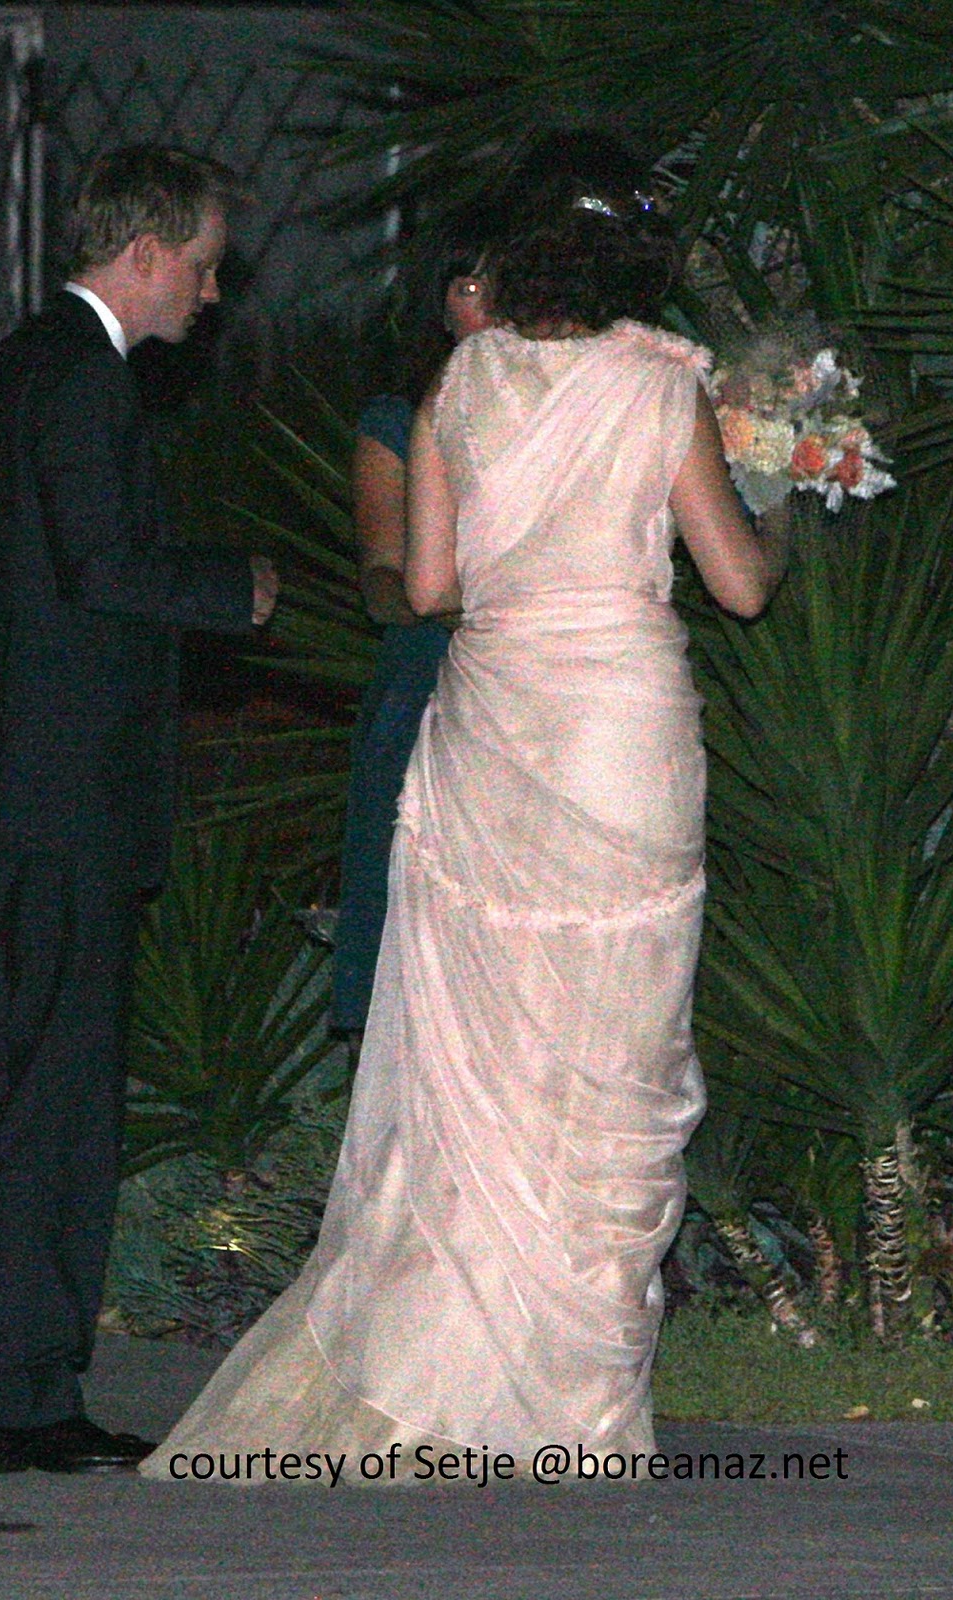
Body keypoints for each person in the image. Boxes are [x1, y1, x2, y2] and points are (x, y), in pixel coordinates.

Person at [140, 173, 786, 1487]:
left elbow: (428, 585)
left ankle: (454, 1355)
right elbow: (736, 585)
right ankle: (575, 1394)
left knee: (479, 1056)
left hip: (494, 730)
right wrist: (775, 511)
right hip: (618, 742)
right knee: (609, 1049)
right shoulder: (660, 382)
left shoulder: (461, 383)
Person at [0, 145, 278, 1476]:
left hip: (9, 792)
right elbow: (101, 564)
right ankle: (21, 1401)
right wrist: (233, 590)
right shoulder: (80, 382)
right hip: (56, 799)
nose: (210, 293)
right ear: (143, 254)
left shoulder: (9, 369)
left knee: (13, 1091)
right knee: (53, 1097)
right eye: (201, 263)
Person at [332, 225, 498, 1054]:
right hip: (431, 680)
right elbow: (382, 575)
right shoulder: (399, 420)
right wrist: (458, 604)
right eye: (467, 287)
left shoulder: (551, 412)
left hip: (528, 681)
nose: (486, 306)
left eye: (500, 286)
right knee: (408, 927)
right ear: (439, 303)